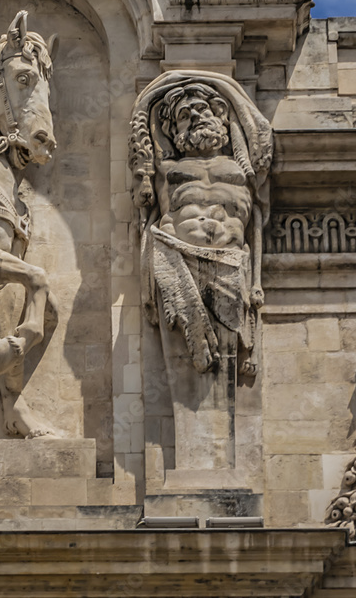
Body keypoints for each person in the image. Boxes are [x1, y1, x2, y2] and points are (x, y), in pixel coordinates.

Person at [130, 73, 271, 471]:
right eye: (182, 116)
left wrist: (215, 82)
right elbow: (143, 124)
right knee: (194, 365)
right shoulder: (166, 167)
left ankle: (211, 466)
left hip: (230, 262)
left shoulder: (243, 167)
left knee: (220, 366)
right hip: (176, 255)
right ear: (171, 128)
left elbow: (261, 141)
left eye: (201, 109)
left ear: (222, 114)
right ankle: (200, 466)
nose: (192, 118)